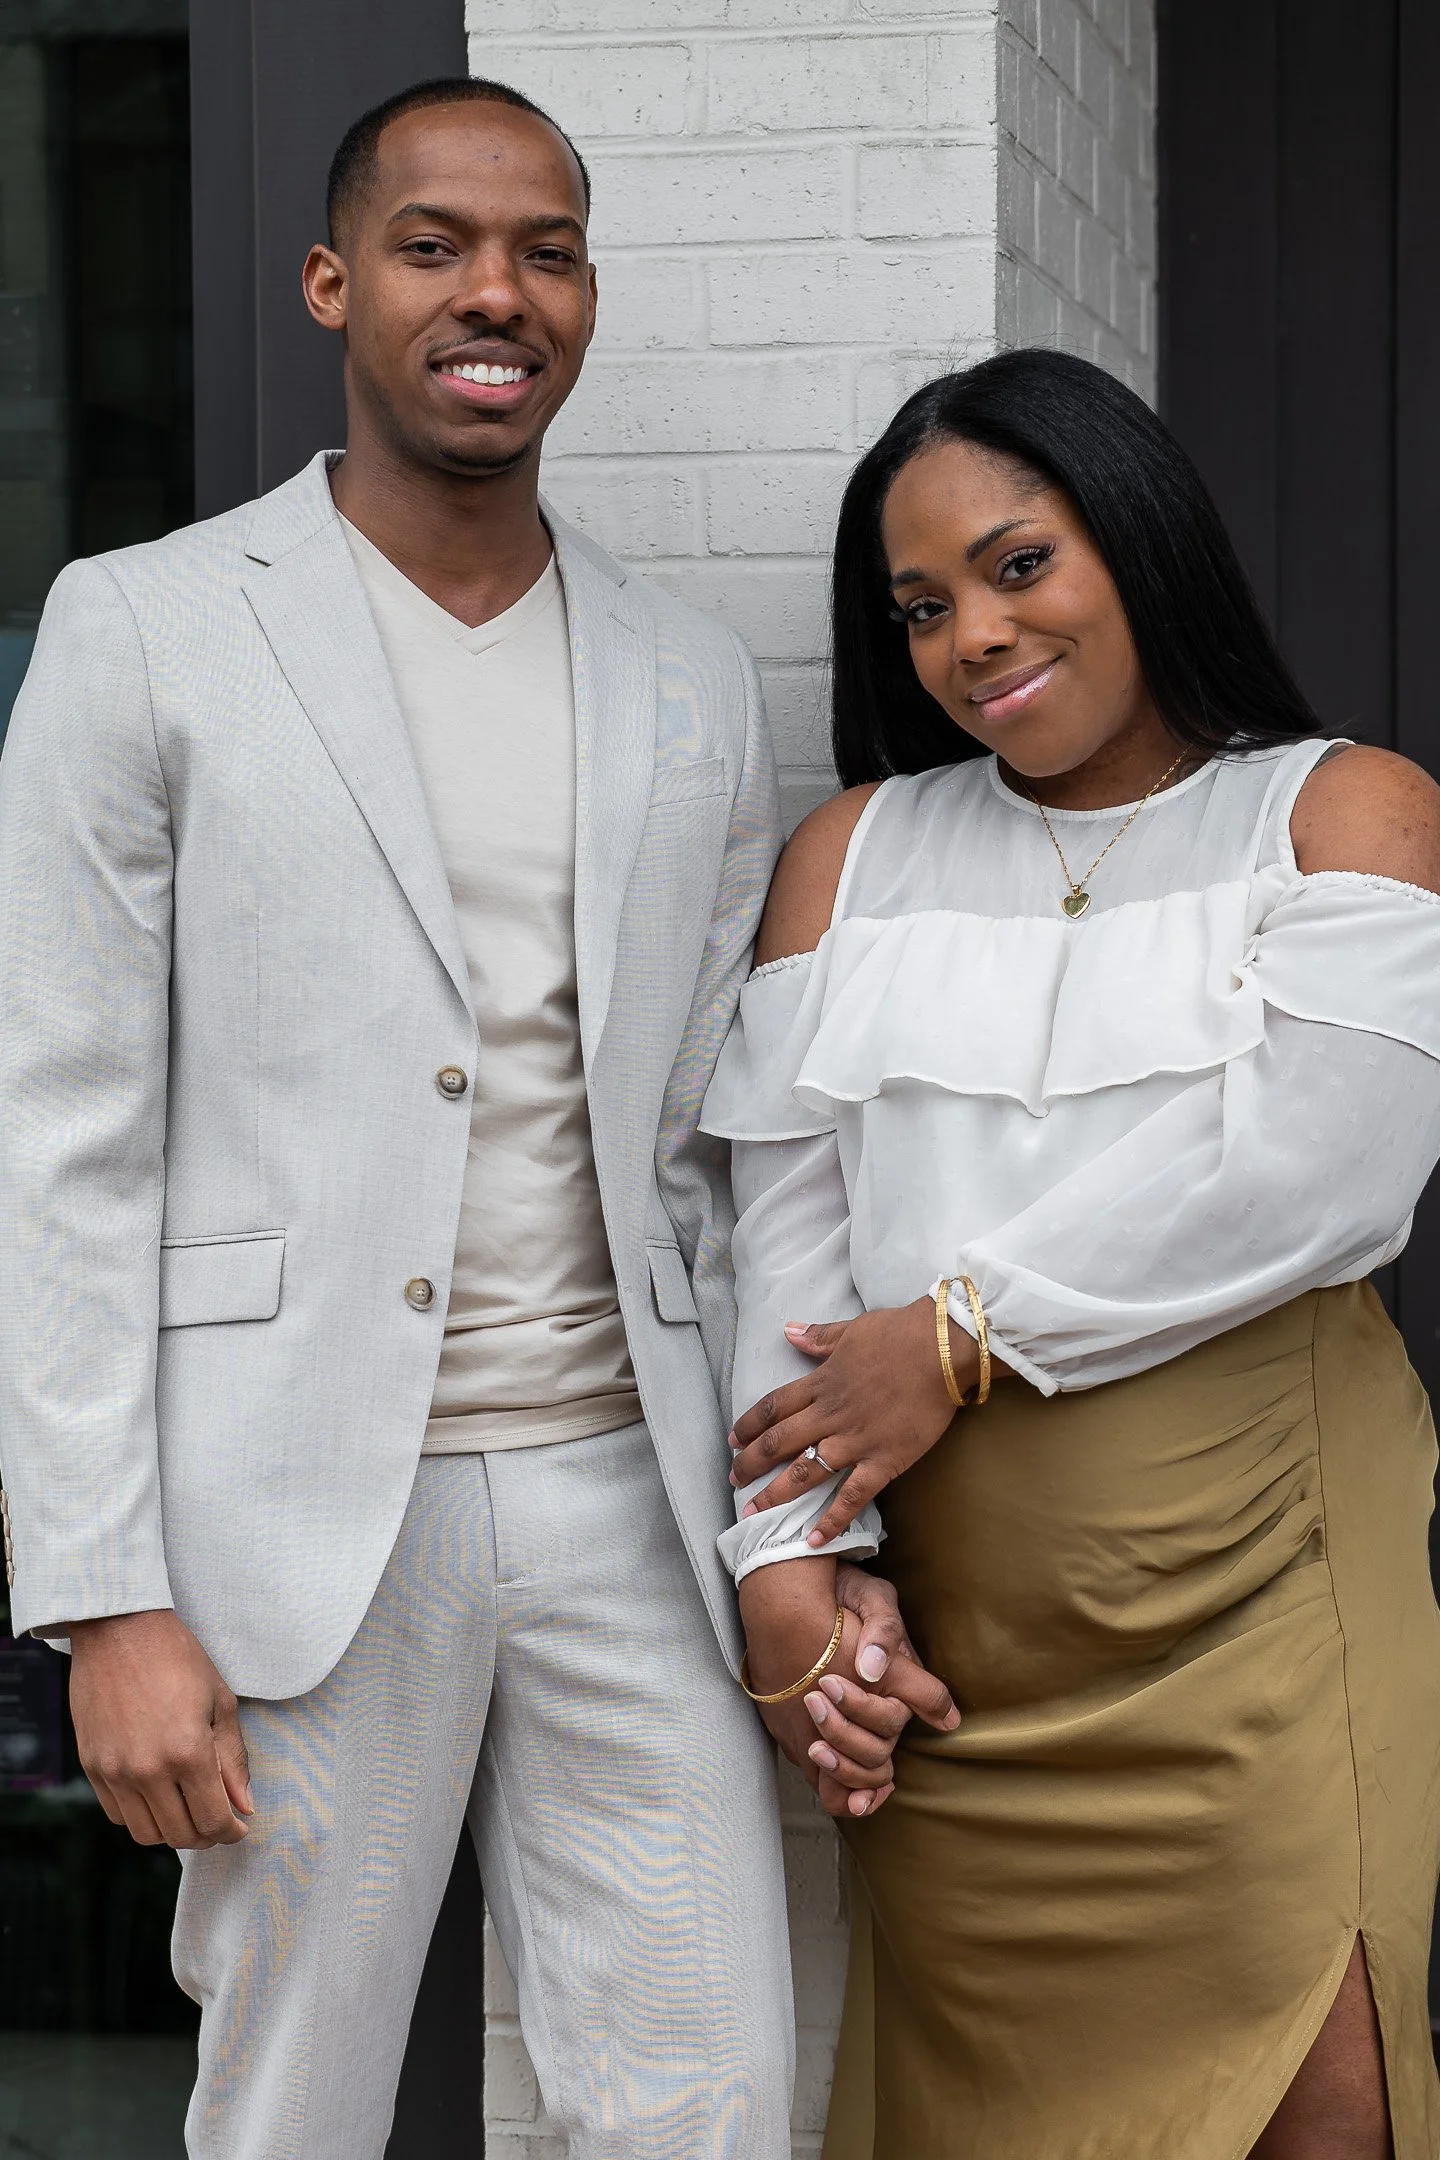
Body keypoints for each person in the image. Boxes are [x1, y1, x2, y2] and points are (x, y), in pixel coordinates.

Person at [0, 76, 953, 2160]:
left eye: (543, 249)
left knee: (704, 2099)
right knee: (291, 2116)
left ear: (588, 296)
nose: (492, 292)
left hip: (633, 1495)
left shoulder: (689, 678)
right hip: (293, 1516)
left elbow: (727, 1155)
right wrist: (102, 1598)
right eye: (435, 246)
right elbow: (64, 1132)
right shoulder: (147, 629)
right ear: (338, 284)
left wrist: (803, 1530)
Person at [702, 348, 1440, 2160]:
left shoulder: (1341, 809)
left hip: (1272, 1608)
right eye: (924, 604)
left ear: (1135, 535)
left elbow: (1328, 1168)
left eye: (1021, 564)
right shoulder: (854, 856)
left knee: (1316, 2114)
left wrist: (957, 1336)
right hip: (968, 1657)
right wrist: (796, 1569)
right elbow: (777, 1238)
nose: (973, 635)